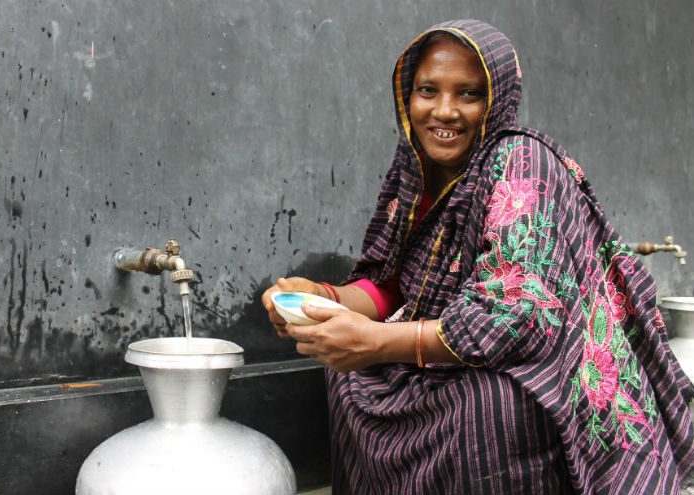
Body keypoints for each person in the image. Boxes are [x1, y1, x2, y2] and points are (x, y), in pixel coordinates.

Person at [261, 19, 694, 494]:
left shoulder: (521, 161)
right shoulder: (414, 167)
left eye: (468, 94)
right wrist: (321, 299)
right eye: (428, 90)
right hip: (449, 345)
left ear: (498, 99)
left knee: (486, 406)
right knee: (349, 380)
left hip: (537, 365)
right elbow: (393, 285)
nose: (443, 112)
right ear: (408, 95)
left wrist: (377, 342)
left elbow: (516, 317)